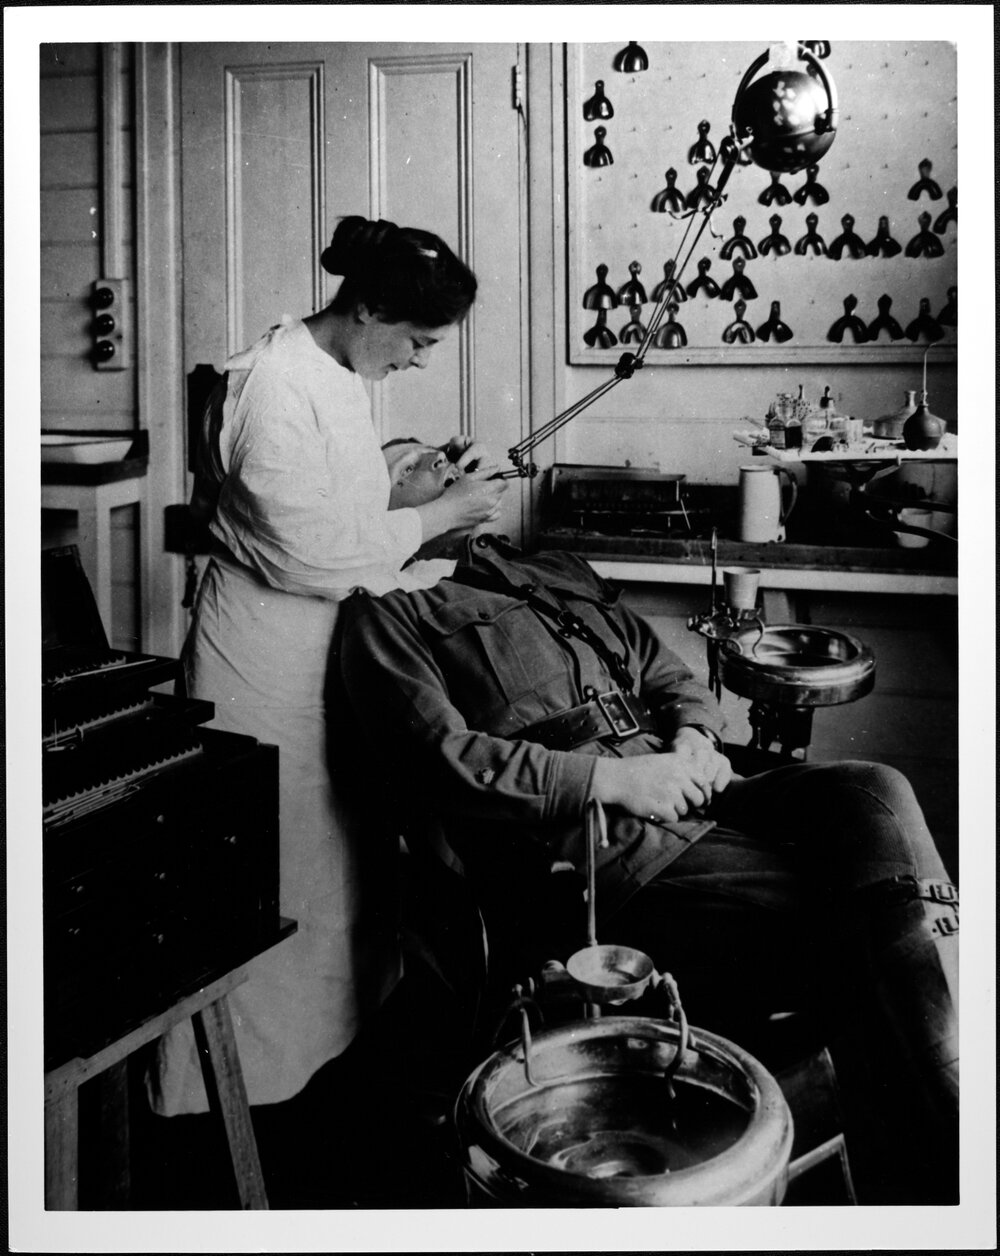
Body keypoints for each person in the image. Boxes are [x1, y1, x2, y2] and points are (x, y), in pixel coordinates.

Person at [337, 439, 959, 1205]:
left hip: (695, 779)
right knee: (865, 919)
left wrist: (696, 739)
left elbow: (661, 665)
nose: (452, 465)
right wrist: (619, 779)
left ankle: (942, 1110)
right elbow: (445, 760)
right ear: (383, 507)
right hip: (607, 844)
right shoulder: (388, 615)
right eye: (420, 465)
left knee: (873, 790)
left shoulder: (543, 567)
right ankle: (950, 1135)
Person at [145, 222, 507, 1132]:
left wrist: (417, 487)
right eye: (419, 342)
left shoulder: (343, 374)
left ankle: (322, 1062)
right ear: (368, 308)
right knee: (272, 874)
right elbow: (302, 546)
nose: (423, 360)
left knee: (337, 857)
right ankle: (229, 1097)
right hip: (262, 658)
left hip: (326, 646)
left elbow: (334, 503)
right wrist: (437, 521)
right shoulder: (272, 384)